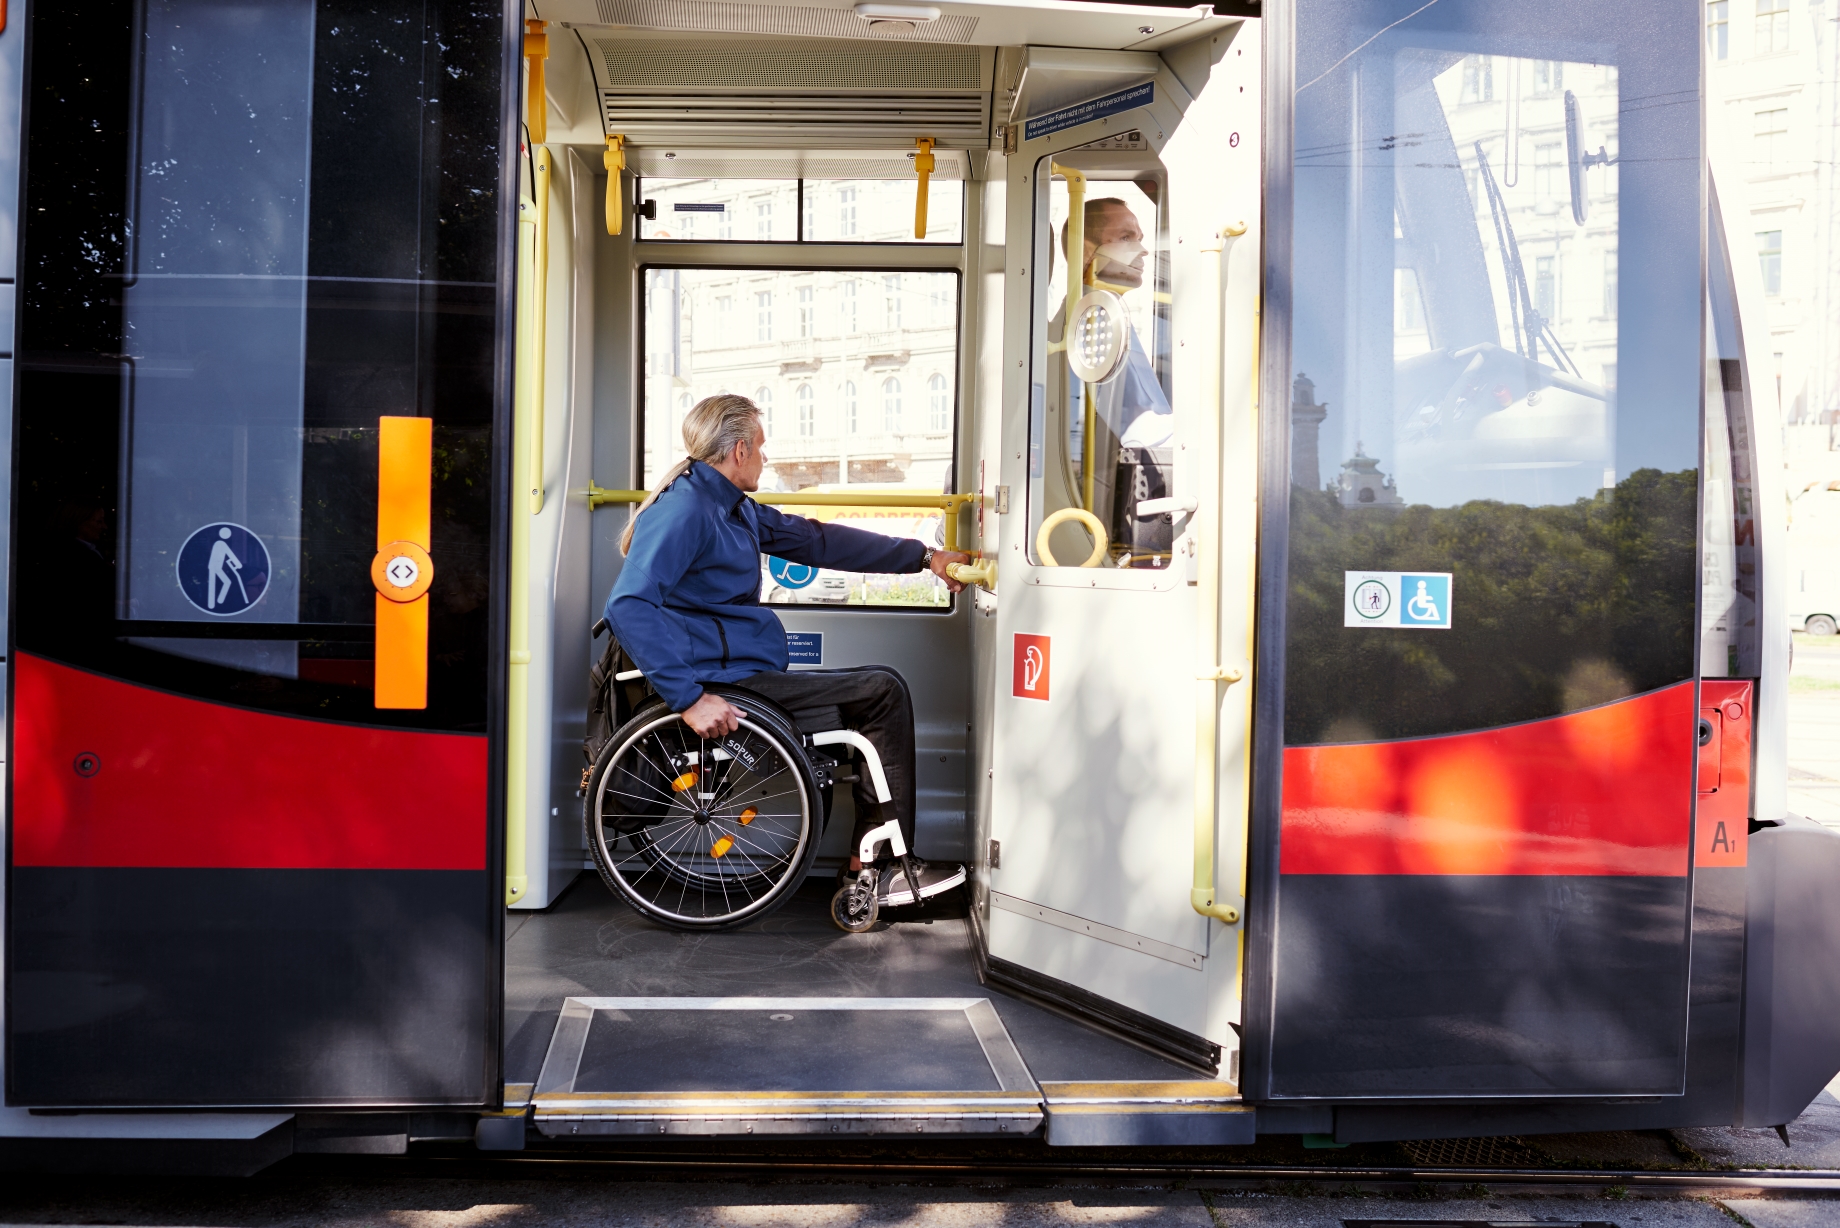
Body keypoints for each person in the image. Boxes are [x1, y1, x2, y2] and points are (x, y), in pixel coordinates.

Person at [604, 393, 970, 901]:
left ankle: (871, 862)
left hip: (739, 672)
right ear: (737, 450)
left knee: (876, 691)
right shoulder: (688, 509)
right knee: (881, 692)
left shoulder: (730, 508)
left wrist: (923, 557)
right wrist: (689, 699)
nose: (765, 457)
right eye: (760, 446)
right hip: (722, 683)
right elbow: (627, 605)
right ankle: (882, 868)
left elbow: (820, 542)